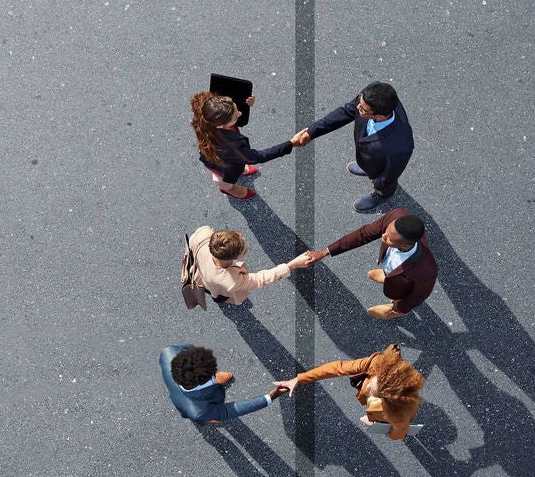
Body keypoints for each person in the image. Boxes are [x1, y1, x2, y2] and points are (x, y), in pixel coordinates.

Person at [289, 80, 413, 212]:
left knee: (386, 184)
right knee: (367, 161)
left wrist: (378, 182)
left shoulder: (401, 146)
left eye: (363, 109)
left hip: (380, 166)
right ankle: (365, 166)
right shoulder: (371, 96)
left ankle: (382, 195)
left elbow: (392, 172)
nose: (357, 107)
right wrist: (311, 132)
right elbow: (346, 111)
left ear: (380, 117)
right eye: (359, 102)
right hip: (370, 156)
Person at [302, 209, 437, 319]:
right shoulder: (397, 216)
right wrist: (325, 252)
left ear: (406, 245)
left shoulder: (426, 269)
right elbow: (363, 234)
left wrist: (400, 307)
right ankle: (387, 275)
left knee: (400, 302)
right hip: (395, 271)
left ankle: (394, 312)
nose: (383, 237)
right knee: (391, 272)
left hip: (403, 289)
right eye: (386, 231)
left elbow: (418, 296)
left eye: (390, 238)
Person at [279, 344, 425, 440]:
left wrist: (387, 430)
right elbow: (338, 367)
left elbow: (399, 433)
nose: (367, 388)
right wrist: (300, 379)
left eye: (375, 392)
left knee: (387, 417)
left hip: (395, 413)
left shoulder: (402, 411)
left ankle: (377, 418)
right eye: (372, 381)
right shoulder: (377, 363)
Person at [191, 91, 296, 199]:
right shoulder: (230, 147)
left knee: (235, 165)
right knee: (222, 179)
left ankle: (239, 170)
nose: (240, 113)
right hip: (221, 164)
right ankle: (227, 189)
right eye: (235, 117)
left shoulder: (208, 112)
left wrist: (245, 101)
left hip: (223, 158)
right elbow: (259, 156)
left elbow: (226, 104)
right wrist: (291, 143)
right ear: (220, 124)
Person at [185, 226, 320, 306]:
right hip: (218, 285)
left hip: (202, 272)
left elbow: (192, 242)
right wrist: (293, 264)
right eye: (244, 250)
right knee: (221, 297)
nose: (248, 248)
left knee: (213, 289)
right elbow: (260, 279)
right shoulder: (231, 281)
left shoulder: (205, 235)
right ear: (232, 258)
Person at [160, 345, 285, 425]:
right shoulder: (200, 411)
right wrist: (270, 397)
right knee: (204, 417)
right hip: (198, 411)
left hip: (181, 398)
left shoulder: (167, 353)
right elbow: (231, 410)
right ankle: (206, 421)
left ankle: (207, 419)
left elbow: (189, 349)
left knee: (191, 413)